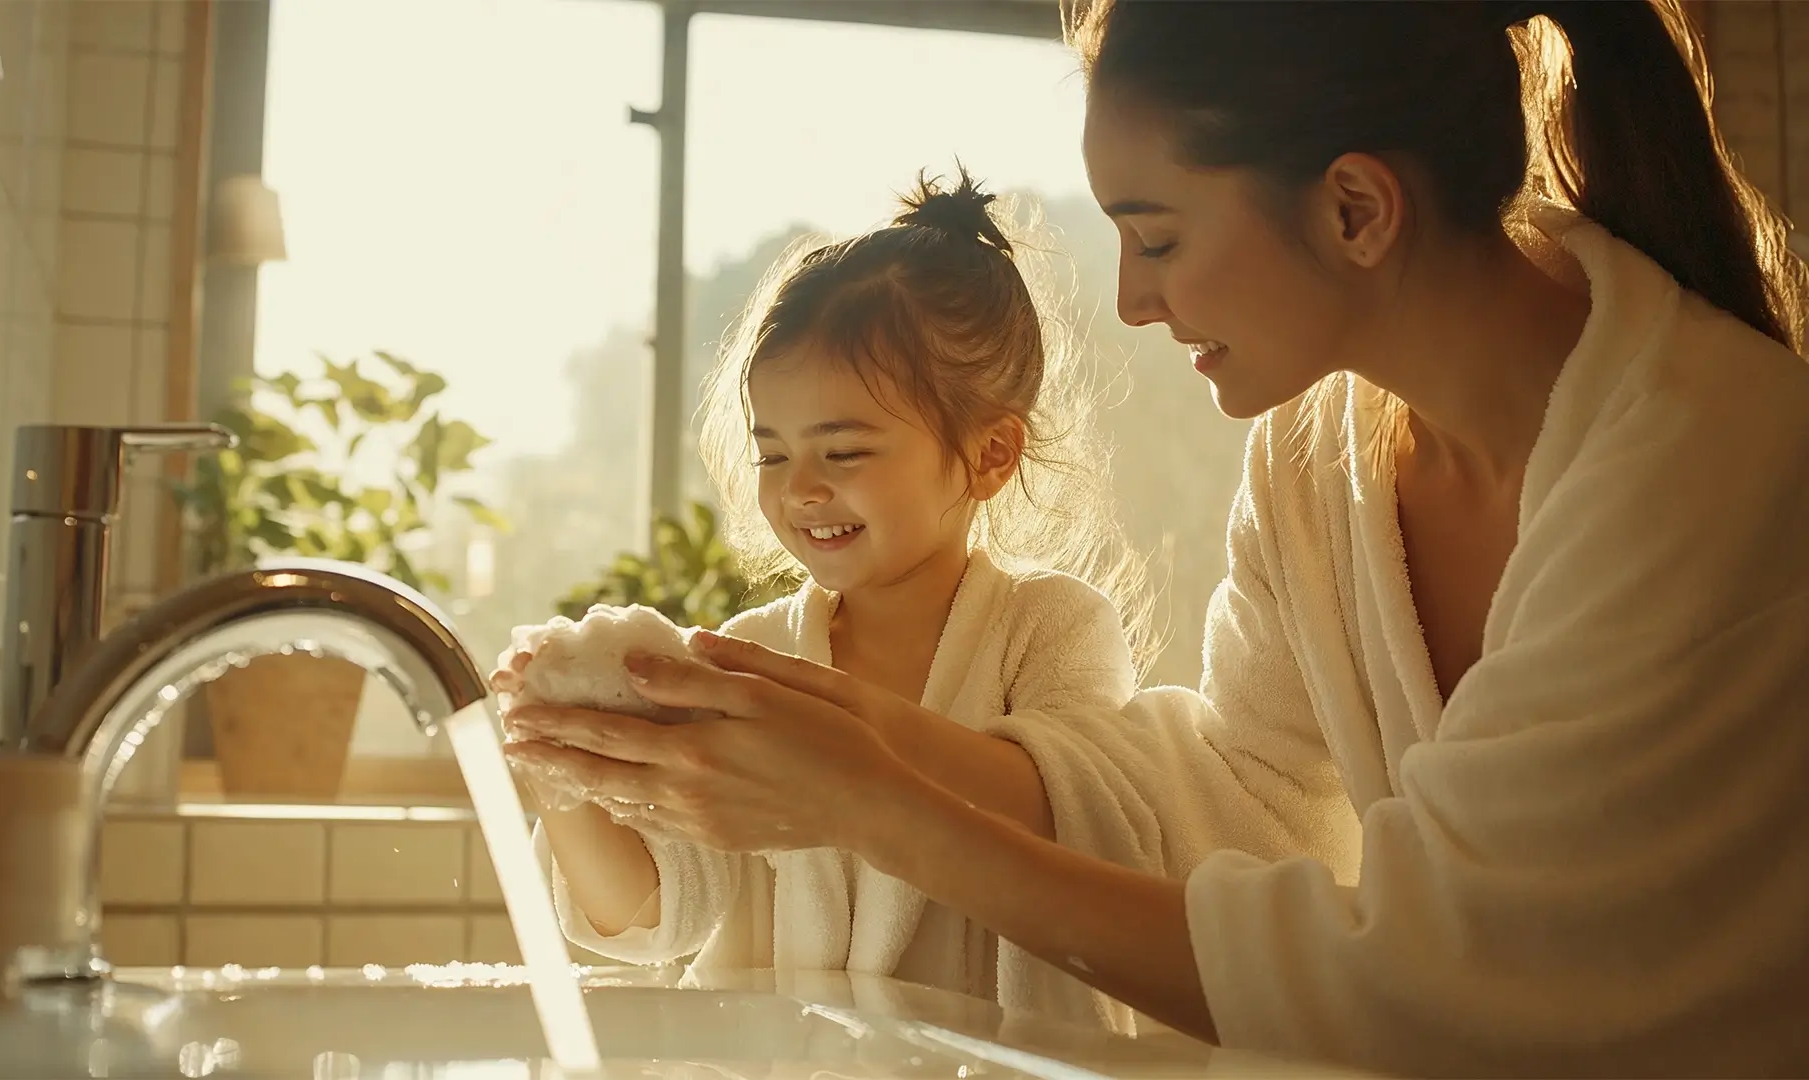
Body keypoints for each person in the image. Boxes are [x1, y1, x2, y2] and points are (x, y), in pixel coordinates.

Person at [503, 1, 1809, 1075]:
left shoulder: (1709, 464)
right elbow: (1235, 800)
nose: (1129, 301)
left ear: (1356, 210)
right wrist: (820, 722)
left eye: (1158, 237)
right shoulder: (1316, 465)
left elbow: (1429, 978)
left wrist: (870, 796)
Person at [496, 170, 1162, 1030]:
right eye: (773, 455)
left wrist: (846, 770)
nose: (800, 490)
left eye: (842, 454)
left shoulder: (1051, 629)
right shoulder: (749, 653)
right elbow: (659, 917)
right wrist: (565, 773)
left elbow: (1073, 819)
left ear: (992, 453)